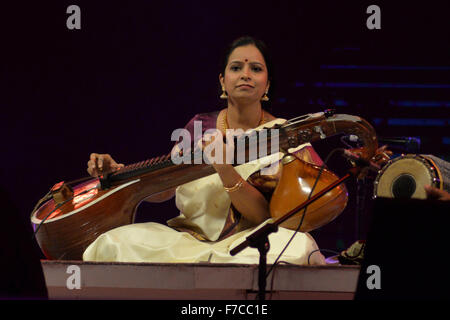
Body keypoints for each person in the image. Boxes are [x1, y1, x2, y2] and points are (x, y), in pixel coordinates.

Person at [82, 36, 328, 265]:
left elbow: (263, 215)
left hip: (248, 243)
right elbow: (164, 188)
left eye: (256, 68)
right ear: (223, 81)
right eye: (235, 68)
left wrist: (223, 167)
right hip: (187, 240)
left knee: (297, 248)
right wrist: (118, 172)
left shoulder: (283, 136)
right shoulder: (200, 125)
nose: (245, 75)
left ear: (267, 85)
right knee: (112, 242)